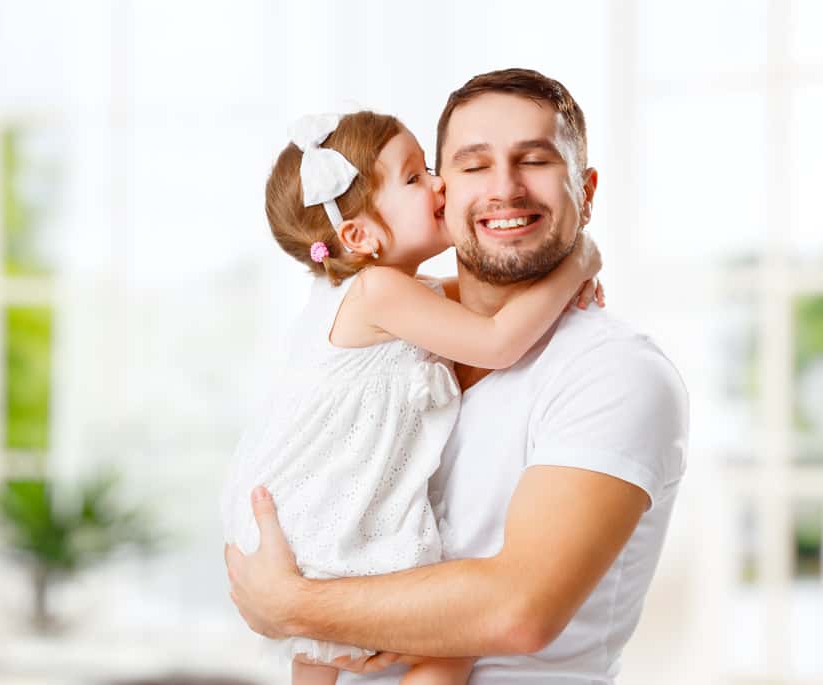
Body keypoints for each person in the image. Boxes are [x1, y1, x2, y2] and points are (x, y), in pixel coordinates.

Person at [224, 69, 689, 685]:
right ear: (445, 189)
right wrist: (578, 263)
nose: (504, 188)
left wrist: (291, 605)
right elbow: (472, 318)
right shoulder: (414, 334)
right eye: (472, 166)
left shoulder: (614, 372)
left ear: (586, 191)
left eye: (535, 160)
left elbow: (517, 612)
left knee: (449, 652)